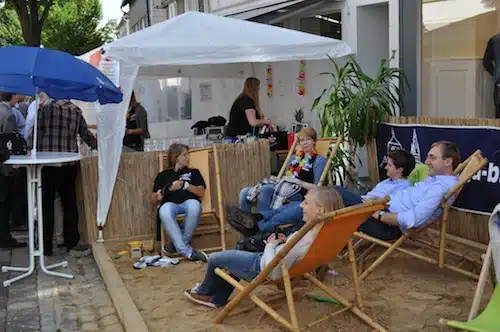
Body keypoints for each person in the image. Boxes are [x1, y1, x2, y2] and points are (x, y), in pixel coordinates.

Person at [183, 187, 344, 309]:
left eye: (306, 202)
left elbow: (272, 271)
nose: (301, 205)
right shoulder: (324, 232)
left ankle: (203, 291)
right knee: (239, 253)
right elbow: (291, 253)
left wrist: (270, 246)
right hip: (283, 260)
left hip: (262, 267)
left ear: (320, 209)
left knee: (215, 258)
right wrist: (285, 242)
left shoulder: (301, 239)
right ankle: (218, 297)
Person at [229, 149, 416, 245]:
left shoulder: (405, 188)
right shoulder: (387, 183)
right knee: (307, 207)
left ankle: (259, 226)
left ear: (400, 170)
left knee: (333, 192)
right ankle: (260, 223)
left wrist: (370, 204)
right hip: (363, 210)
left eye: (390, 165)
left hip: (378, 222)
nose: (386, 167)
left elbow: (396, 213)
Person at [353, 141, 460, 241]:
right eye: (428, 157)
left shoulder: (440, 187)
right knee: (341, 197)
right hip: (382, 209)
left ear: (448, 162)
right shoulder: (434, 179)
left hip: (388, 225)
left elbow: (413, 219)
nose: (426, 162)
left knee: (339, 194)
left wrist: (378, 214)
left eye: (432, 158)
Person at [30, 99, 97, 256]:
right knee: (69, 204)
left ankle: (46, 246)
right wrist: (97, 145)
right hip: (68, 164)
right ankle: (71, 242)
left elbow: (34, 135)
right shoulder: (75, 110)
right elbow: (85, 135)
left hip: (46, 164)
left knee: (46, 205)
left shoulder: (43, 109)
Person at [238, 127, 327, 214]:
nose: (305, 143)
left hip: (298, 192)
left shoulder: (319, 160)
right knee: (244, 192)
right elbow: (286, 177)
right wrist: (276, 178)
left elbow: (317, 188)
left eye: (308, 139)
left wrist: (298, 182)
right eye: (302, 140)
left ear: (314, 141)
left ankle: (261, 224)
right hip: (283, 187)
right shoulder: (294, 158)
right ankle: (246, 223)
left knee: (266, 190)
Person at [151, 143, 208, 262]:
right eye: (185, 155)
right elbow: (152, 200)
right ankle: (187, 251)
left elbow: (201, 192)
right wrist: (158, 196)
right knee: (164, 210)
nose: (188, 157)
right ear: (176, 157)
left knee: (195, 206)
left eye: (188, 154)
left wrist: (185, 185)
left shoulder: (194, 172)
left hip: (189, 202)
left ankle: (177, 245)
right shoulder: (163, 175)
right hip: (170, 204)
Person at [0, 92, 27, 249]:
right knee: (4, 204)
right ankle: (5, 238)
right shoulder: (8, 115)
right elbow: (8, 144)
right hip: (3, 167)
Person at [483, 33, 500, 118]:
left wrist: (496, 74)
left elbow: (486, 62)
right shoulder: (495, 40)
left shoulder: (494, 39)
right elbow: (486, 62)